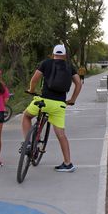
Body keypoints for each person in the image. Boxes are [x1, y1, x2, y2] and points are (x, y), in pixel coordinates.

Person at [23, 44, 83, 172]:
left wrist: (31, 90)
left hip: (43, 101)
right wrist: (72, 100)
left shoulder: (46, 63)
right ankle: (68, 164)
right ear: (65, 55)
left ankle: (28, 144)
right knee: (61, 135)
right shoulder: (70, 67)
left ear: (53, 53)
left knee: (26, 116)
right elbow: (78, 83)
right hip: (59, 105)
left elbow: (34, 79)